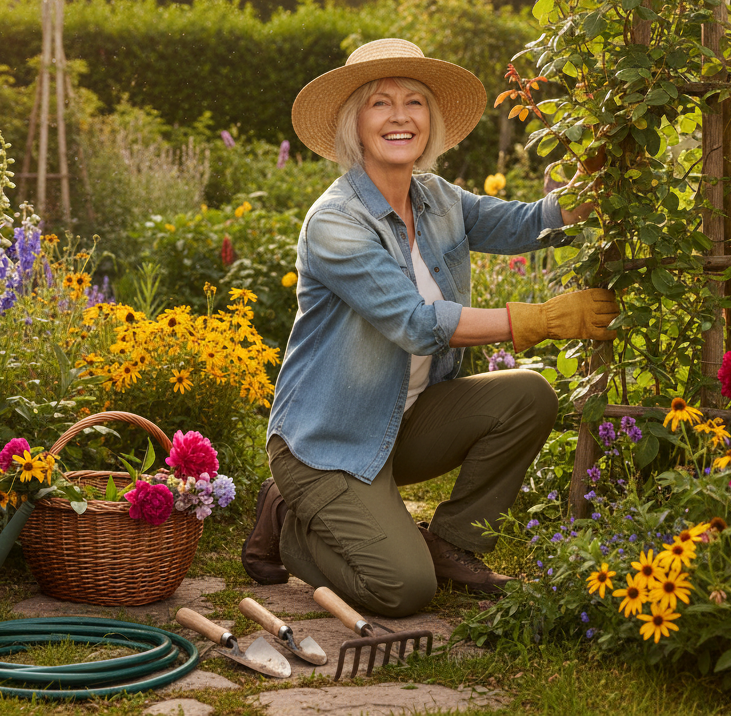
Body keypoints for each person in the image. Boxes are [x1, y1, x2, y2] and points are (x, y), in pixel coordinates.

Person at [241, 38, 618, 617]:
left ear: (430, 119)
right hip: (330, 441)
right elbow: (417, 324)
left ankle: (452, 542)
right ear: (354, 124)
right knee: (403, 590)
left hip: (402, 420)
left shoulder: (437, 198)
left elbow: (526, 223)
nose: (400, 116)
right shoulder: (336, 221)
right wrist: (540, 320)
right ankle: (292, 520)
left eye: (414, 101)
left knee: (527, 396)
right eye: (380, 103)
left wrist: (591, 188)